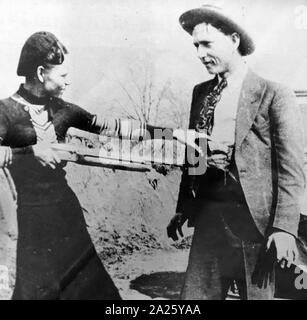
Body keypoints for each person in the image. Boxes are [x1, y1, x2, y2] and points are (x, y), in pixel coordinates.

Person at [0, 31, 201, 300]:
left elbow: (114, 127)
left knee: (90, 290)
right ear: (40, 73)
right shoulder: (4, 112)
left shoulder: (63, 110)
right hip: (27, 219)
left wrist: (174, 133)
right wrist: (30, 151)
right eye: (62, 75)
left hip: (65, 213)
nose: (67, 80)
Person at [167, 5, 305, 300]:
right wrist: (183, 206)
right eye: (195, 46)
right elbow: (194, 154)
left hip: (255, 225)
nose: (200, 54)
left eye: (207, 44)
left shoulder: (274, 94)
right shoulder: (200, 93)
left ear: (233, 39)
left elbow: (292, 169)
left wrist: (283, 228)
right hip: (209, 219)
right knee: (194, 300)